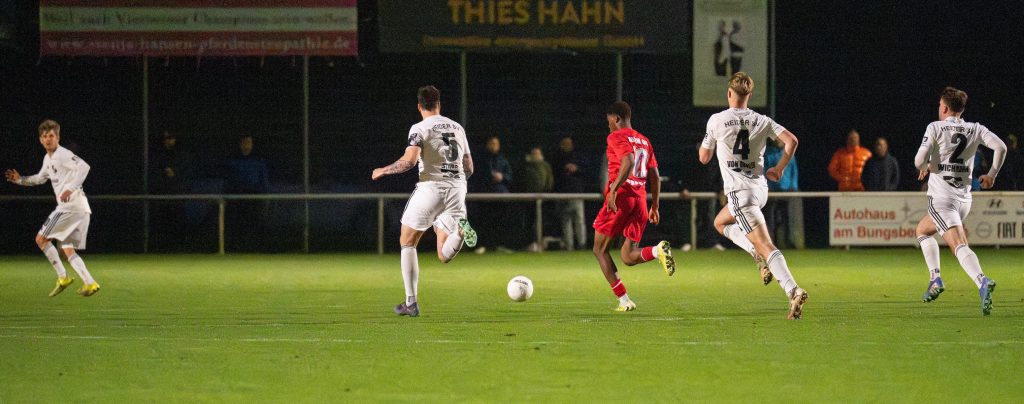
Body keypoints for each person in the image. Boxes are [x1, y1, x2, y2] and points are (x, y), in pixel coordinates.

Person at [700, 72, 807, 319]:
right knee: (720, 222)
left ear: (729, 93)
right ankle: (755, 253)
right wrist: (779, 168)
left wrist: (712, 143)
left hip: (740, 194)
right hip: (759, 191)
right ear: (749, 95)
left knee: (766, 245)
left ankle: (793, 290)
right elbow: (791, 141)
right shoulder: (762, 120)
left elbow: (704, 158)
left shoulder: (717, 120)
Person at [371, 85, 477, 317]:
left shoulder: (419, 128)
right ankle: (460, 232)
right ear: (439, 104)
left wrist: (383, 170)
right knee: (443, 255)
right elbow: (469, 166)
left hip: (431, 188)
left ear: (419, 106)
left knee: (407, 241)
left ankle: (411, 303)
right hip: (458, 189)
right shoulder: (457, 127)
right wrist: (453, 184)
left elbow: (409, 161)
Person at [914, 87, 1006, 315]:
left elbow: (918, 160)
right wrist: (991, 175)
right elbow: (1001, 147)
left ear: (945, 108)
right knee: (923, 230)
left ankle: (982, 280)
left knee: (959, 245)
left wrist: (925, 166)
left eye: (939, 105)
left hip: (942, 201)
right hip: (964, 200)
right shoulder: (975, 128)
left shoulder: (935, 127)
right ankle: (935, 279)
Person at [591, 101, 675, 312]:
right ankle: (656, 251)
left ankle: (624, 300)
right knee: (628, 256)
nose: (608, 125)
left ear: (616, 119)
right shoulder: (644, 140)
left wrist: (613, 190)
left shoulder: (615, 136)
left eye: (609, 121)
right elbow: (655, 175)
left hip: (621, 199)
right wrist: (655, 205)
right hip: (640, 201)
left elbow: (628, 161)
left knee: (599, 249)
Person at [5, 119, 100, 297]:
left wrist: (69, 188)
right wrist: (20, 180)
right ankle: (90, 283)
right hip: (80, 208)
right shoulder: (48, 159)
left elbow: (84, 167)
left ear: (58, 138)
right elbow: (40, 178)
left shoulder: (62, 154)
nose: (48, 139)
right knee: (68, 249)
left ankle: (63, 277)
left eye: (51, 136)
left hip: (70, 207)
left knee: (41, 239)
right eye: (44, 136)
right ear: (40, 140)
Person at [224, 134, 271, 252]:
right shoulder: (233, 162)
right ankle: (236, 249)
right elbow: (228, 181)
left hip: (254, 197)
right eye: (245, 142)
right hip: (237, 198)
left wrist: (265, 197)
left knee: (255, 224)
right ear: (240, 144)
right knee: (237, 225)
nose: (247, 145)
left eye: (249, 142)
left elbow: (264, 181)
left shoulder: (258, 161)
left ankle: (255, 249)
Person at [550, 136, 589, 251]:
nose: (566, 146)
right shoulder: (557, 158)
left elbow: (586, 171)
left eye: (568, 144)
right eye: (564, 144)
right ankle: (569, 246)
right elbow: (554, 174)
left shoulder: (578, 157)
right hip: (563, 193)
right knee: (566, 221)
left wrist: (576, 168)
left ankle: (582, 244)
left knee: (579, 220)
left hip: (577, 193)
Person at [763, 138, 799, 249]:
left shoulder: (788, 153)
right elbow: (762, 170)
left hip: (786, 190)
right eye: (777, 139)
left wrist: (793, 186)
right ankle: (771, 241)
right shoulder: (767, 153)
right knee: (771, 218)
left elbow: (794, 171)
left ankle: (787, 241)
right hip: (772, 190)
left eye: (781, 139)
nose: (778, 141)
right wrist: (765, 187)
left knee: (785, 218)